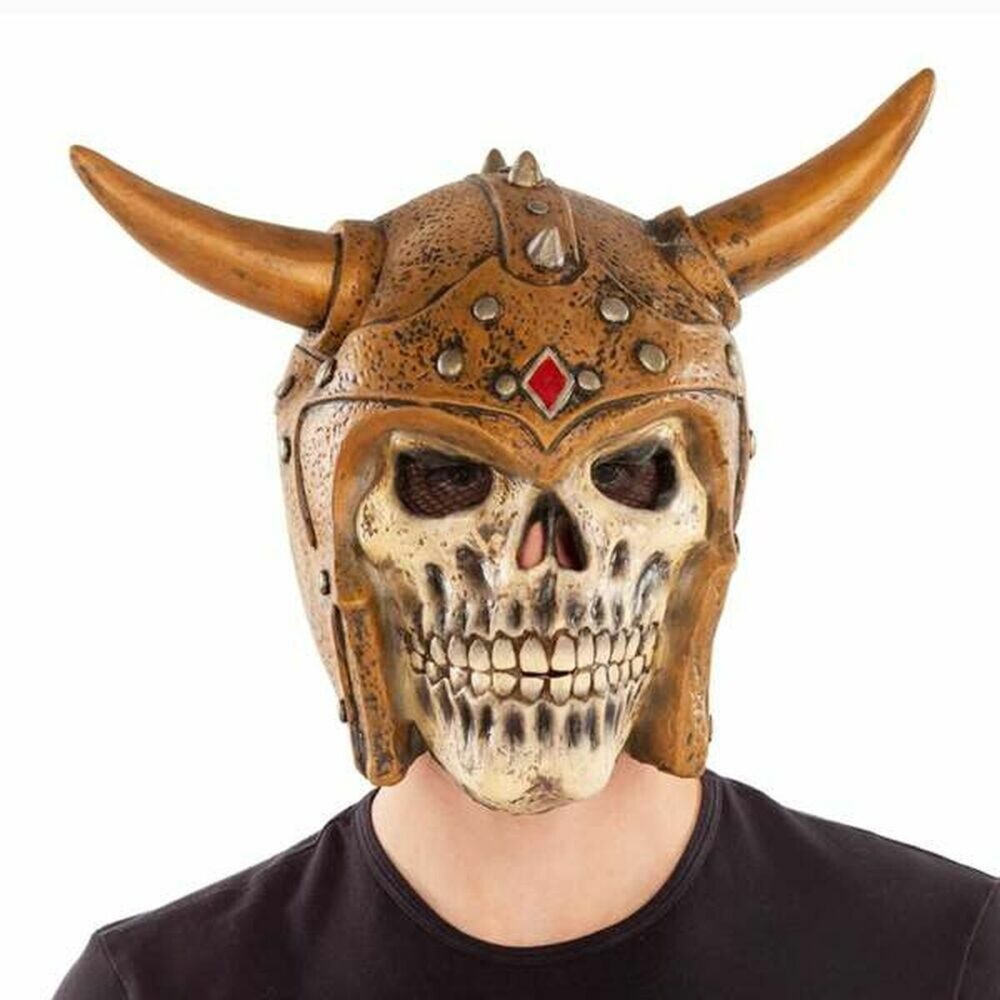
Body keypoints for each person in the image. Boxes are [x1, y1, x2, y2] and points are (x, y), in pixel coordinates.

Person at [56, 69, 999, 998]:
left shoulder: (948, 960)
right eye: (448, 478)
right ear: (332, 523)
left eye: (628, 475)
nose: (545, 565)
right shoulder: (157, 986)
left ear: (714, 503)